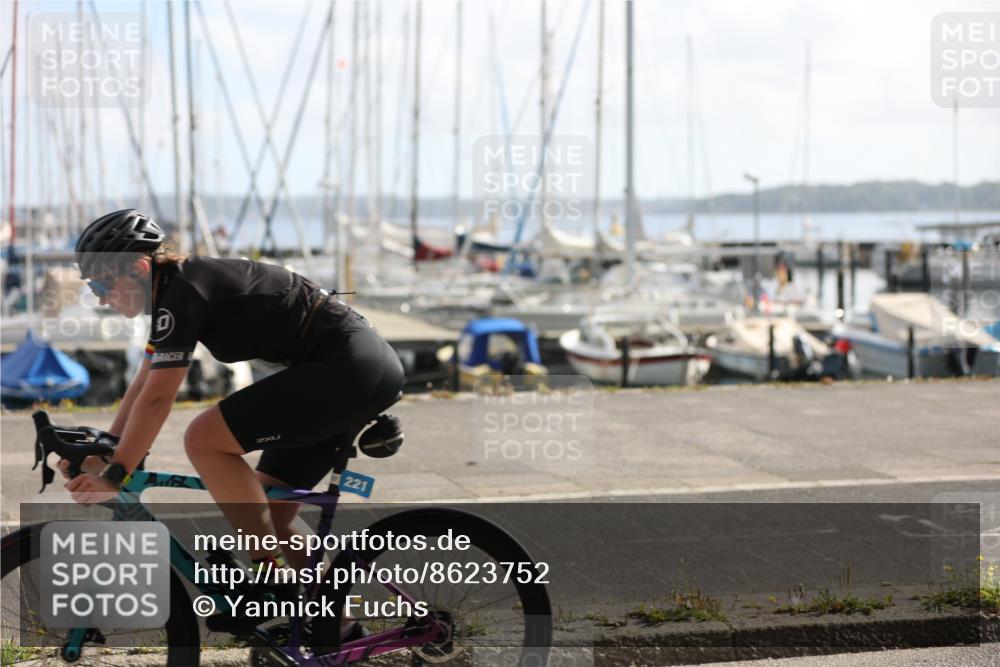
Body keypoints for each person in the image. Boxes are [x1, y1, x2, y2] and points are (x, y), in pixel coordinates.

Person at [62, 208, 405, 633]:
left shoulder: (186, 290)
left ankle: (269, 582)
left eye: (99, 283)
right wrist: (109, 445)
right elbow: (145, 381)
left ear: (137, 268)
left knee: (204, 439)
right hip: (342, 370)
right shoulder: (175, 292)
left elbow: (157, 401)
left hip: (349, 368)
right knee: (271, 516)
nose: (98, 297)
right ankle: (338, 627)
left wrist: (117, 473)